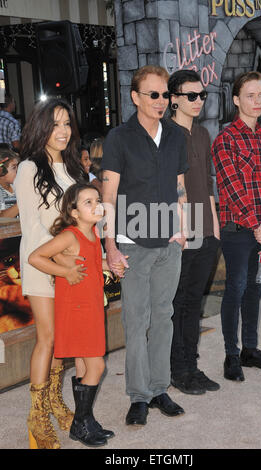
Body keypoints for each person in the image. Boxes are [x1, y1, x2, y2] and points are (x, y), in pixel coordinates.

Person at [101, 65, 188, 426]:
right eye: (153, 94)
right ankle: (138, 396)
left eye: (165, 94)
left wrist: (184, 230)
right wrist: (110, 247)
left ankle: (158, 388)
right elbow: (108, 195)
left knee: (164, 317)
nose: (161, 100)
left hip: (169, 242)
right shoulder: (119, 138)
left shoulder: (176, 135)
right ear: (135, 97)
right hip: (132, 244)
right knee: (137, 322)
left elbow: (180, 186)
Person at [14, 98, 87, 449]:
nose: (63, 131)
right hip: (42, 264)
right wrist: (62, 261)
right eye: (56, 124)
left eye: (67, 124)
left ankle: (56, 401)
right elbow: (32, 228)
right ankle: (37, 416)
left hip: (72, 266)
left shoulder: (74, 168)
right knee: (48, 337)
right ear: (42, 128)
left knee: (64, 339)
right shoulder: (29, 168)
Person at [211, 71, 261, 382]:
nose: (257, 102)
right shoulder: (225, 140)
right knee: (237, 287)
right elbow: (232, 188)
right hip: (238, 231)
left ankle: (250, 350)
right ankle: (231, 354)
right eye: (250, 96)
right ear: (236, 100)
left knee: (257, 288)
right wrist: (259, 227)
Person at [28, 182, 115, 448]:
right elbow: (35, 257)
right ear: (74, 212)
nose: (96, 205)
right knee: (97, 366)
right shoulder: (70, 235)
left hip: (90, 307)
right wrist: (64, 272)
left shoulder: (93, 235)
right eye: (87, 202)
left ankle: (84, 422)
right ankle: (80, 422)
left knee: (84, 365)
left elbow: (88, 263)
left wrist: (110, 264)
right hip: (76, 311)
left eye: (97, 200)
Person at [168, 70, 220, 395]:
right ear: (174, 99)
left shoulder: (203, 135)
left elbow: (208, 183)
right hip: (180, 233)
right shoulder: (166, 134)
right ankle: (178, 370)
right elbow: (176, 186)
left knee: (196, 302)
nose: (198, 100)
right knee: (180, 302)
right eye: (191, 95)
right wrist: (184, 228)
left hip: (206, 230)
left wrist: (214, 228)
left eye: (201, 95)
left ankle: (193, 366)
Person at [0, 147, 19, 218]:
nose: (18, 170)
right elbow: (1, 217)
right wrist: (24, 201)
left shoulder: (18, 186)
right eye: (14, 167)